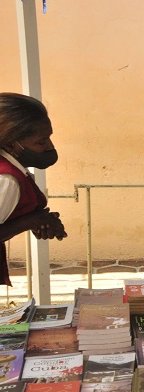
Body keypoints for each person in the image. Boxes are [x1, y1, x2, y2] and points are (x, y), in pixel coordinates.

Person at [0, 93, 67, 286]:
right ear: (12, 143)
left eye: (49, 138)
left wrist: (37, 218)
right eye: (41, 142)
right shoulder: (7, 180)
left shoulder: (11, 169)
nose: (50, 147)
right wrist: (32, 220)